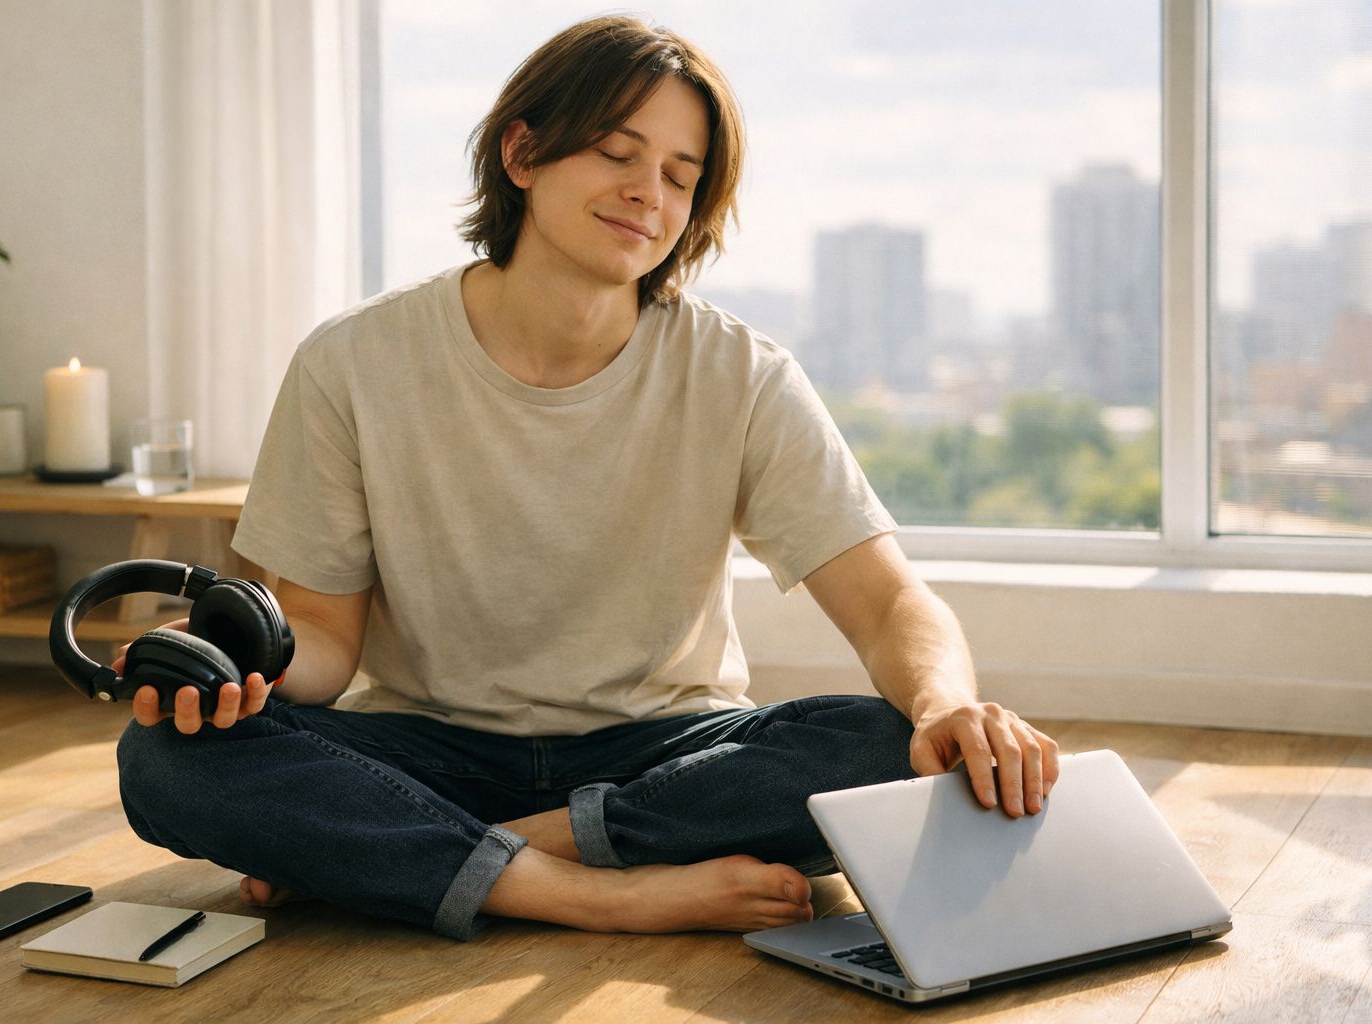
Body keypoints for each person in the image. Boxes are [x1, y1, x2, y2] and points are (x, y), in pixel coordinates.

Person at [115, 14, 1059, 942]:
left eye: (680, 177)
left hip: (663, 752)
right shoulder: (351, 361)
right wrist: (243, 663)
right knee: (166, 756)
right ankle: (603, 894)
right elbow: (323, 638)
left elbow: (889, 602)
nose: (648, 193)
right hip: (427, 747)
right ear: (522, 154)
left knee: (880, 745)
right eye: (617, 153)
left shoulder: (743, 373)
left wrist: (945, 705)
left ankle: (448, 857)